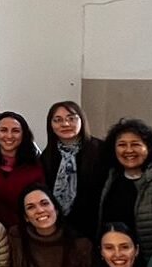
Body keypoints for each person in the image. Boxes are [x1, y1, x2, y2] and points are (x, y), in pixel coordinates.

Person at [97, 118, 152, 259]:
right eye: (122, 145)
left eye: (136, 144)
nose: (129, 150)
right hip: (116, 260)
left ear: (149, 147)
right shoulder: (112, 177)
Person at [8, 185, 93, 267]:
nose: (40, 210)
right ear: (26, 217)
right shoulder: (16, 238)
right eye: (31, 207)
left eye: (44, 203)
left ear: (56, 209)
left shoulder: (81, 245)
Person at [40, 101, 106, 236]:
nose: (65, 124)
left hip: (95, 226)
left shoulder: (101, 150)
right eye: (58, 120)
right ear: (50, 125)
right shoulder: (46, 157)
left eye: (71, 118)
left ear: (82, 120)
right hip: (59, 226)